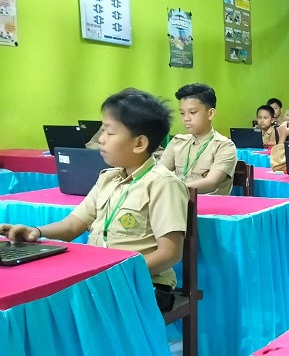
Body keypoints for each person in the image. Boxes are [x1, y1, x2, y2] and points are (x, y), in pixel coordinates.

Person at [0, 88, 188, 298]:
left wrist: (114, 273)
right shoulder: (108, 178)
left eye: (109, 132)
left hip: (144, 283)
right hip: (104, 279)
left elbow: (169, 254)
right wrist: (35, 231)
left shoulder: (163, 183)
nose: (101, 139)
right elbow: (71, 226)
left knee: (62, 300)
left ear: (139, 143)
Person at [160, 83, 237, 195]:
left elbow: (211, 183)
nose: (186, 118)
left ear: (210, 113)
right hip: (178, 201)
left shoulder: (224, 146)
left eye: (193, 112)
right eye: (182, 113)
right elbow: (158, 174)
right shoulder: (177, 142)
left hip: (208, 205)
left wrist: (174, 190)